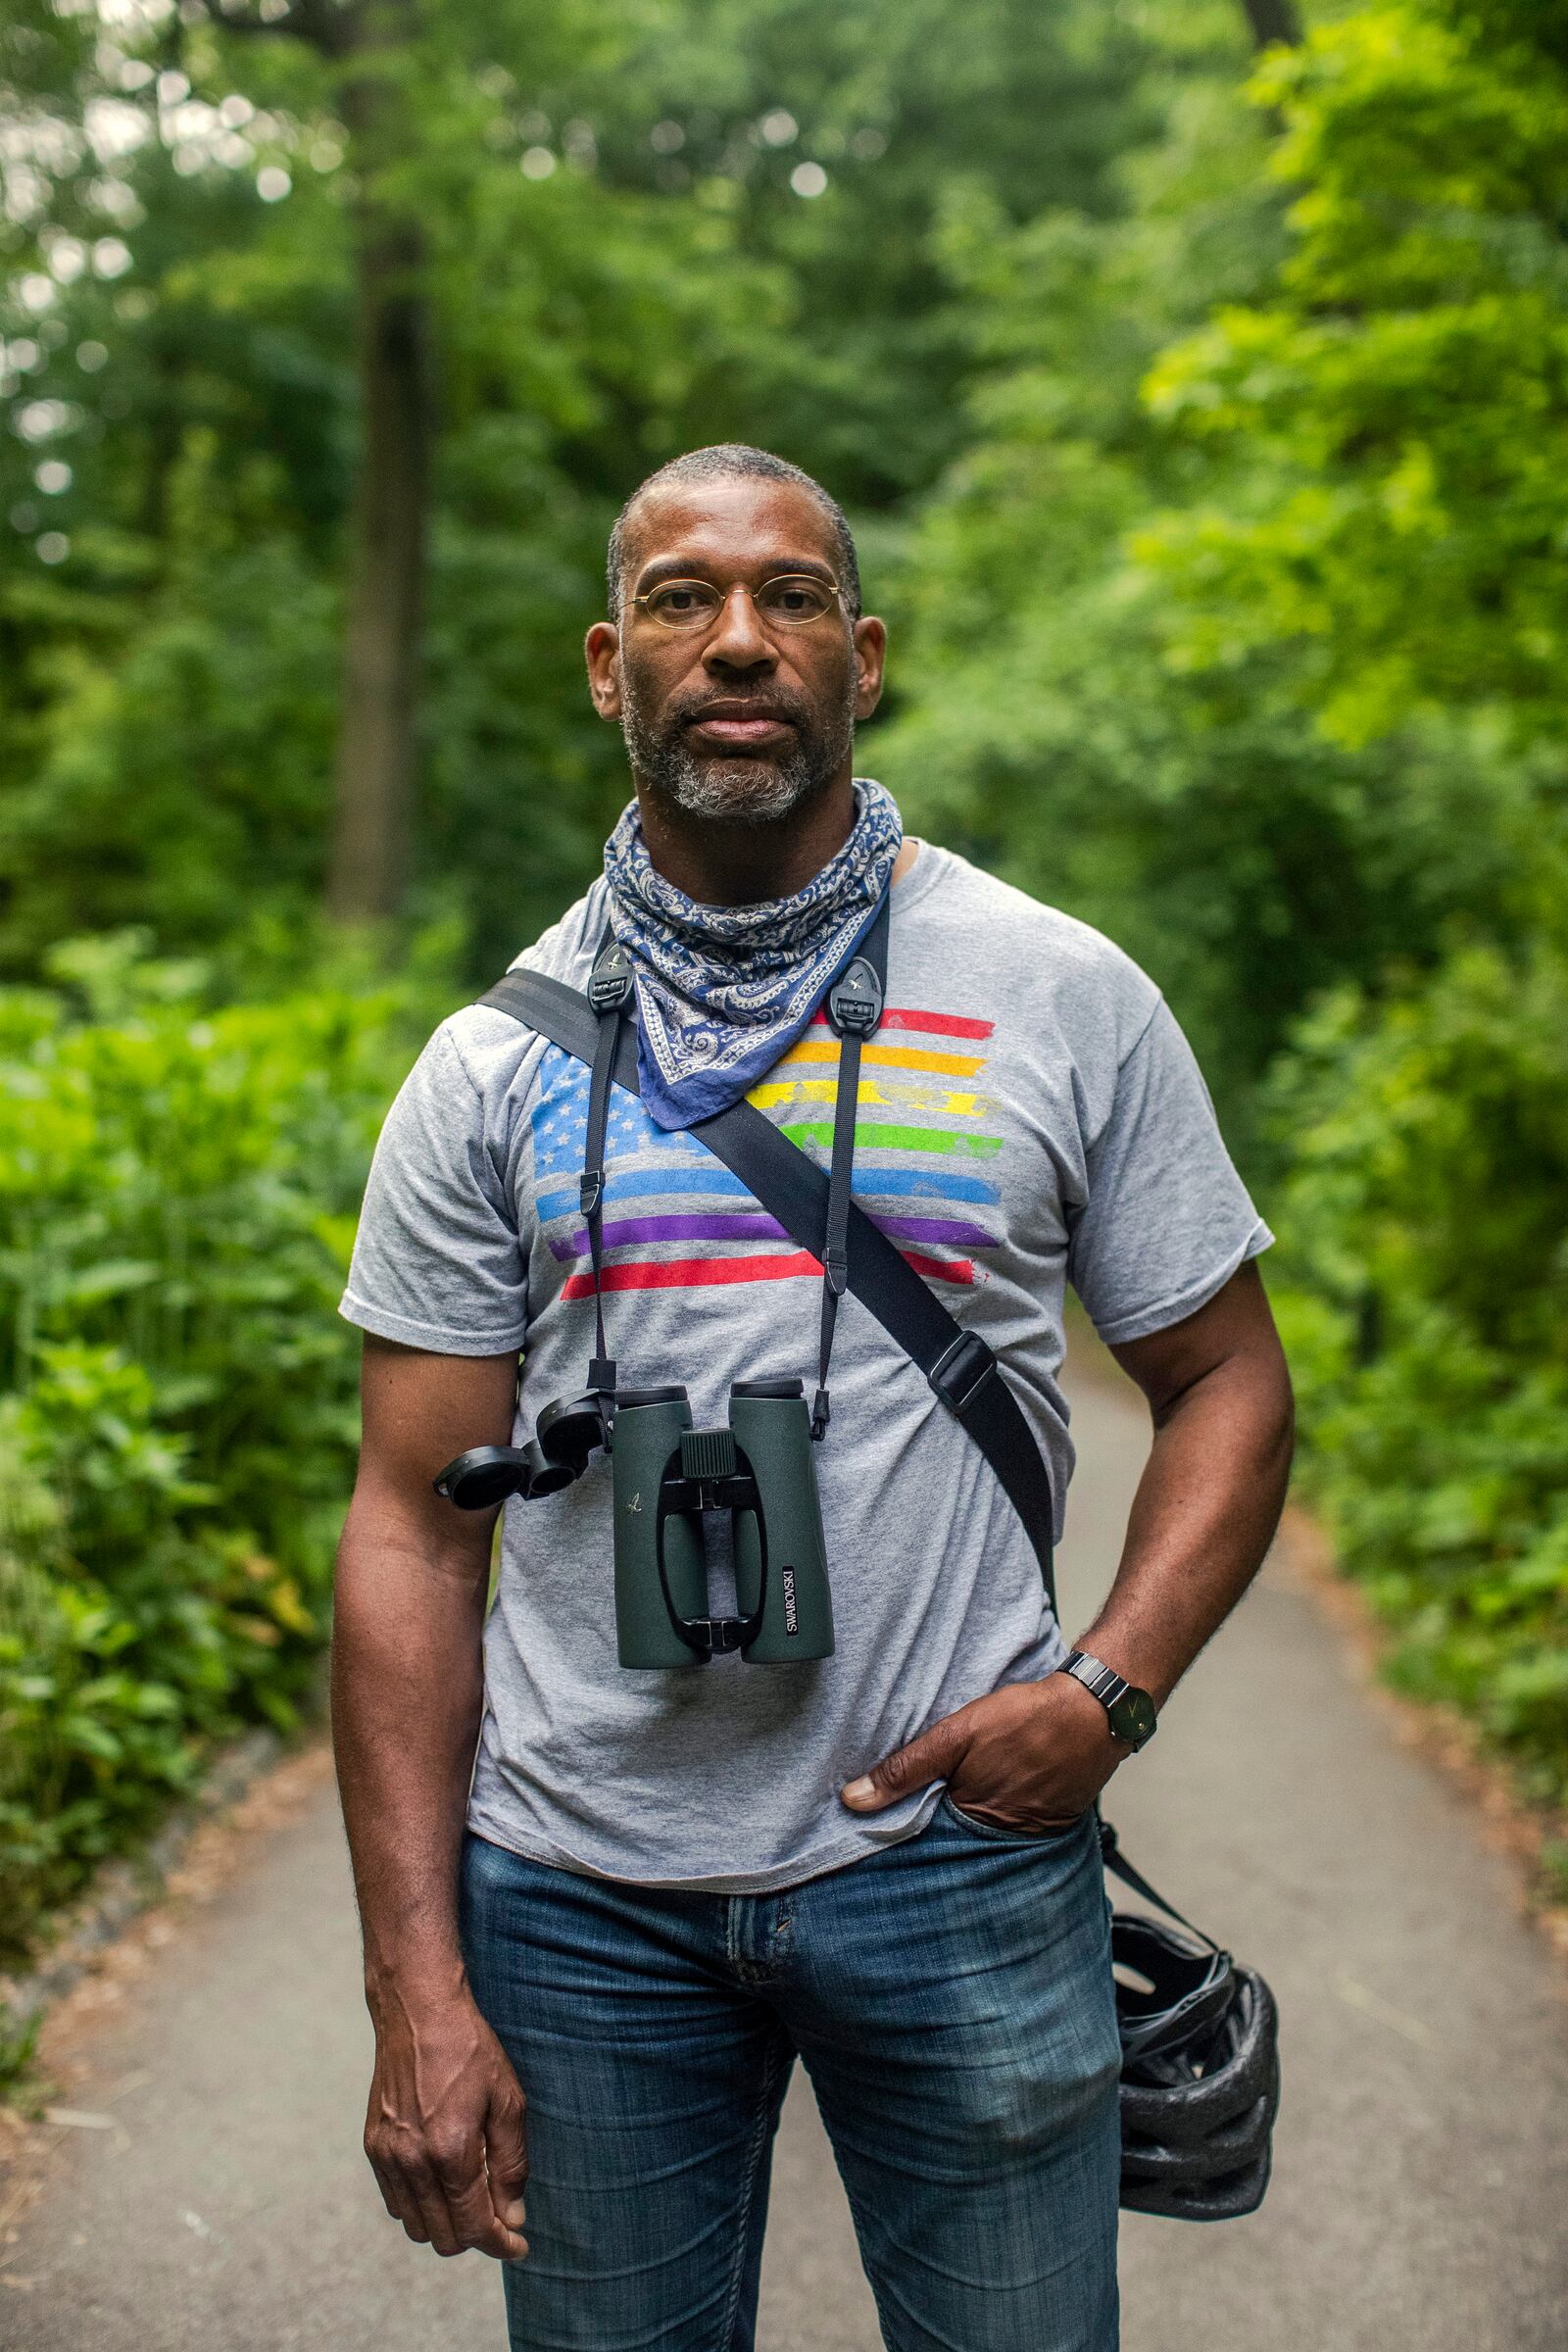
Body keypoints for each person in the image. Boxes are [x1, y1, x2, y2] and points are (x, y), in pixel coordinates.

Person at [331, 443, 1294, 2352]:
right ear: (608, 669)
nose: (736, 643)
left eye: (785, 602)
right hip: (577, 1891)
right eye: (680, 600)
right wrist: (414, 1987)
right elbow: (402, 1530)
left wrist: (1103, 1693)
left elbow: (1225, 1383)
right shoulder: (484, 1067)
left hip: (957, 1862)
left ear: (863, 657)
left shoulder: (1055, 993)